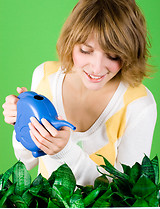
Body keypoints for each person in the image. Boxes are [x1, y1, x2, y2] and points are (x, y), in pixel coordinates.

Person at [2, 0, 157, 186]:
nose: (97, 68)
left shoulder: (139, 104)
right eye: (86, 50)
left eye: (113, 55)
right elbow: (26, 160)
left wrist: (64, 152)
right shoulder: (45, 76)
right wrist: (21, 120)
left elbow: (129, 195)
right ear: (71, 42)